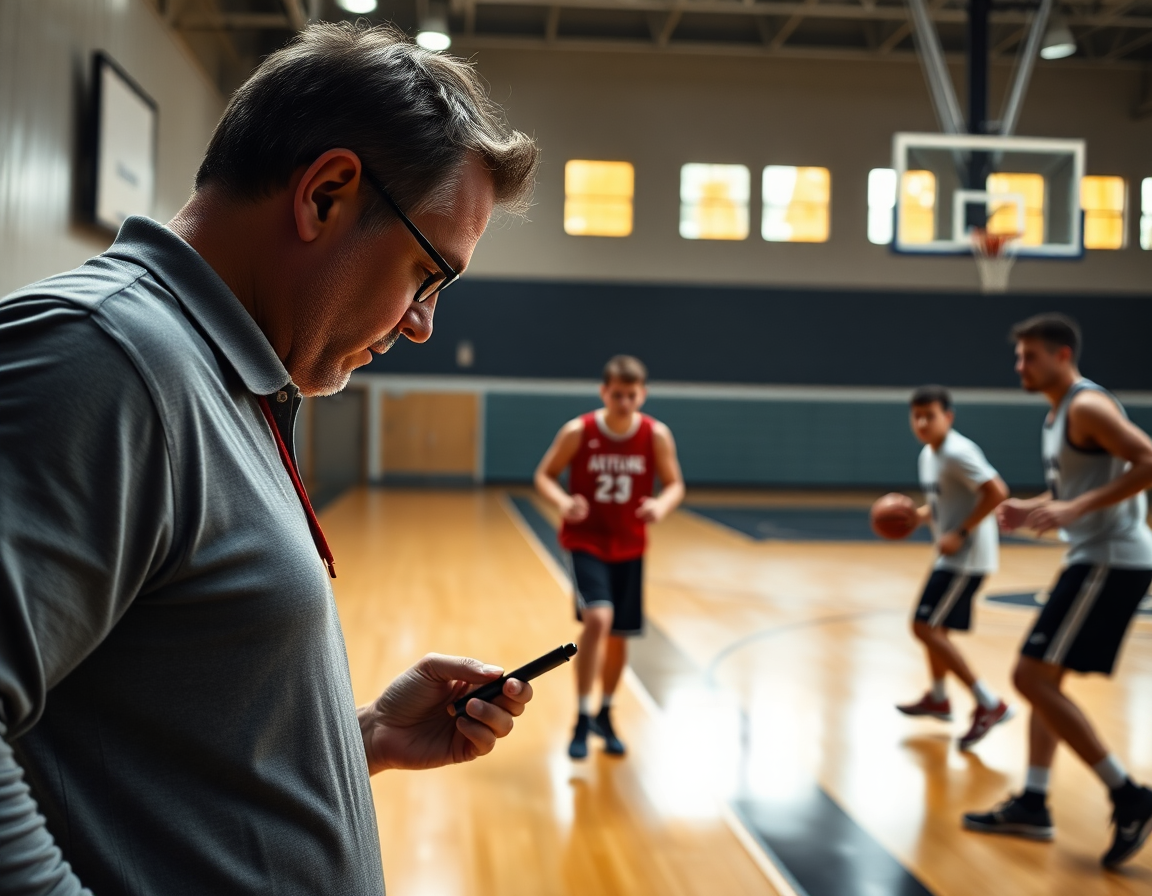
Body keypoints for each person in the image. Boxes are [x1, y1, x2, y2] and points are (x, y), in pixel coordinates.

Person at [0, 23, 539, 896]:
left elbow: (153, 744)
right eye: (425, 272)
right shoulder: (106, 358)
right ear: (326, 194)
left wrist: (352, 742)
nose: (421, 322)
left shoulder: (215, 377)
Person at [963, 313, 1152, 869]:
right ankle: (1035, 801)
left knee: (1029, 676)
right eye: (1019, 356)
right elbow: (1085, 481)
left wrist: (1073, 508)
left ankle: (1129, 795)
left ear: (1062, 355)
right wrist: (1033, 506)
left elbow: (1149, 459)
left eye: (1030, 356)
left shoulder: (1088, 406)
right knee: (1045, 680)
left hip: (1111, 559)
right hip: (1092, 557)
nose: (1021, 365)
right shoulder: (1058, 415)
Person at [534, 356, 685, 759]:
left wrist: (661, 506)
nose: (623, 402)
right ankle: (582, 717)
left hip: (630, 545)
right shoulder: (579, 431)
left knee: (619, 636)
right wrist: (564, 501)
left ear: (642, 395)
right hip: (586, 541)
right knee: (599, 618)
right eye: (617, 394)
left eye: (631, 395)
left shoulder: (656, 435)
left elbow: (674, 485)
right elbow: (544, 476)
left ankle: (605, 712)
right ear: (605, 392)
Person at [894, 385, 1013, 749]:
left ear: (948, 416)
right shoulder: (929, 455)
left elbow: (997, 491)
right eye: (916, 416)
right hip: (951, 556)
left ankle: (989, 703)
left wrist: (960, 532)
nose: (922, 422)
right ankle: (939, 698)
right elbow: (945, 500)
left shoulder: (958, 452)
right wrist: (919, 517)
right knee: (933, 628)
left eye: (929, 415)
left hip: (968, 557)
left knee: (924, 626)